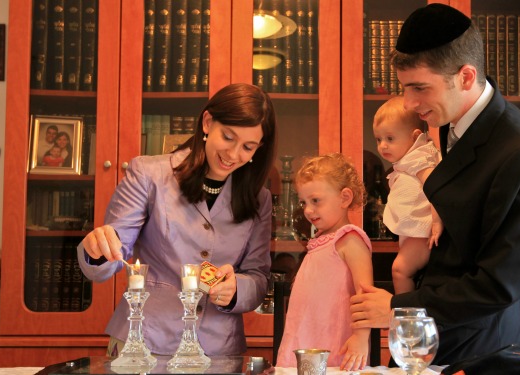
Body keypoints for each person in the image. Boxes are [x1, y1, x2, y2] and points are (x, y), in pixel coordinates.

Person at [350, 3, 520, 366]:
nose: (411, 104)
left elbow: (499, 285)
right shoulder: (449, 118)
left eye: (420, 88)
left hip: (482, 348)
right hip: (430, 339)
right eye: (405, 88)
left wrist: (400, 308)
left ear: (465, 77)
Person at [77, 83, 277, 357]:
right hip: (145, 342)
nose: (233, 154)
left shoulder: (259, 199)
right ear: (208, 122)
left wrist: (237, 289)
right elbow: (111, 254)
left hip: (218, 350)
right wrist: (98, 249)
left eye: (248, 147)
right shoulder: (149, 174)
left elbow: (258, 276)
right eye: (228, 137)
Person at [276, 153, 373, 371]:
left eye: (316, 201)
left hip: (334, 345)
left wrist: (360, 337)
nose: (308, 210)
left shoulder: (350, 239)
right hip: (303, 338)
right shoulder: (319, 241)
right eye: (304, 202)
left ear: (345, 198)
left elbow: (365, 294)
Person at [373, 96, 442, 294]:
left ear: (415, 137)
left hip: (423, 234)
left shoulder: (418, 159)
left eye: (390, 138)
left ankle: (404, 315)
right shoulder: (410, 160)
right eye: (379, 139)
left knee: (399, 270)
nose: (383, 146)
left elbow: (435, 188)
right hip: (416, 233)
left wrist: (437, 221)